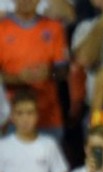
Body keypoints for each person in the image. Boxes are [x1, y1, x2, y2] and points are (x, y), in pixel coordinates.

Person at [0, 0, 69, 139]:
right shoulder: (2, 28)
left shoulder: (54, 27)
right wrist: (18, 78)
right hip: (10, 118)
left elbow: (63, 72)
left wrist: (49, 73)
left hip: (48, 117)